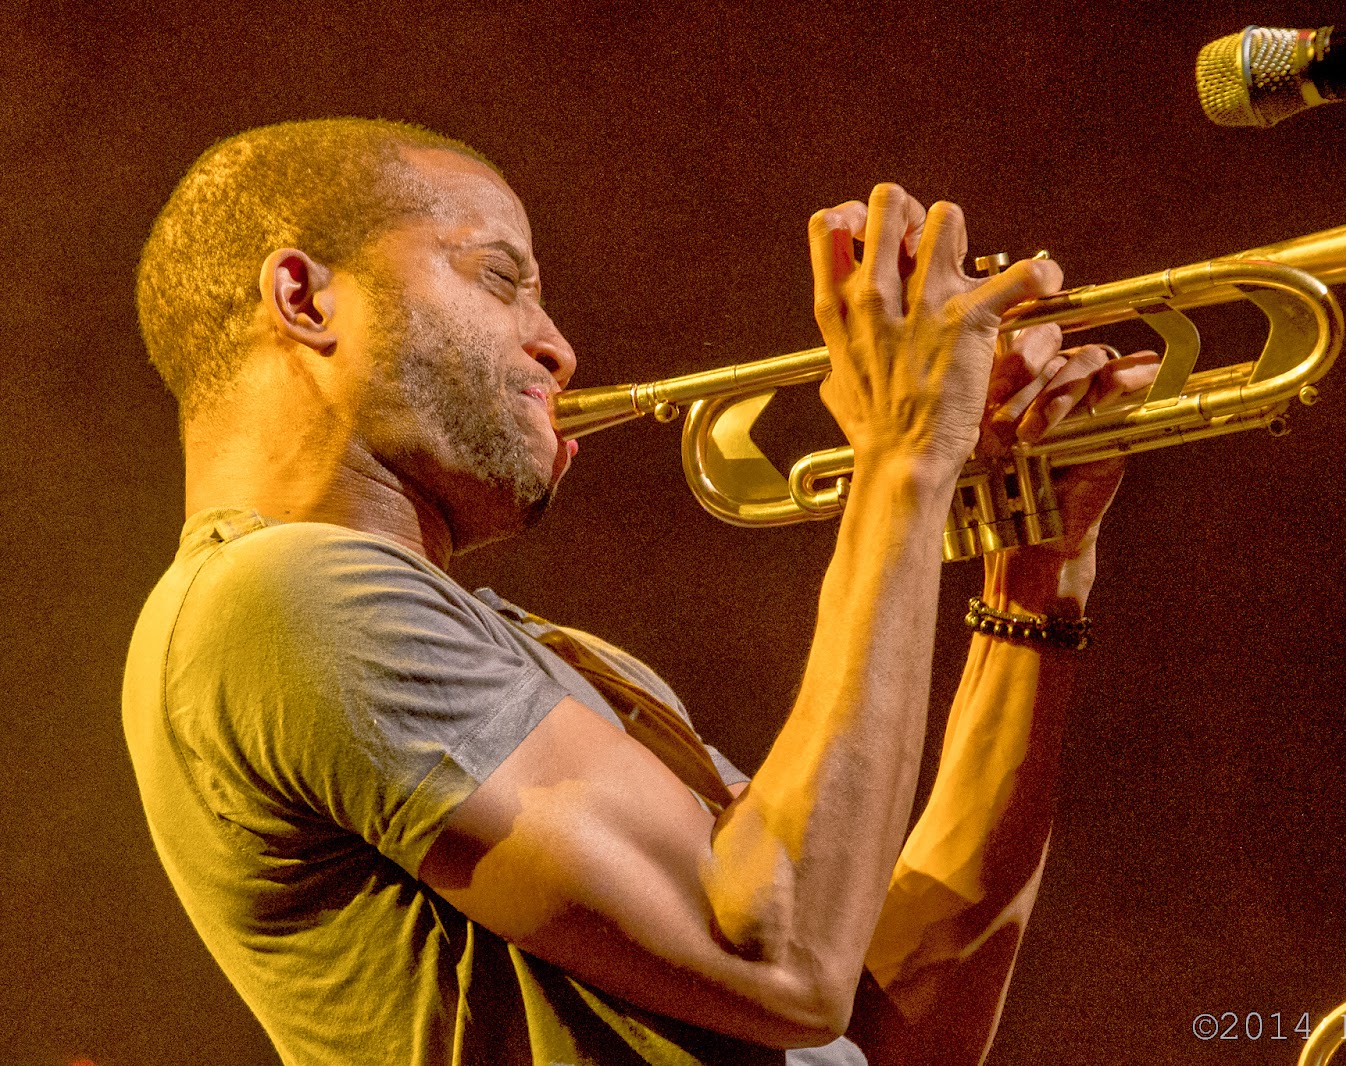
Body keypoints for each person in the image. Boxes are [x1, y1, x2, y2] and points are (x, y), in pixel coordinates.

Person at [123, 118, 1158, 1066]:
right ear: (305, 299)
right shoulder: (280, 594)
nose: (556, 347)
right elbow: (783, 957)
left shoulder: (557, 654)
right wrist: (902, 456)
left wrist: (1036, 565)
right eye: (498, 277)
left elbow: (882, 1038)